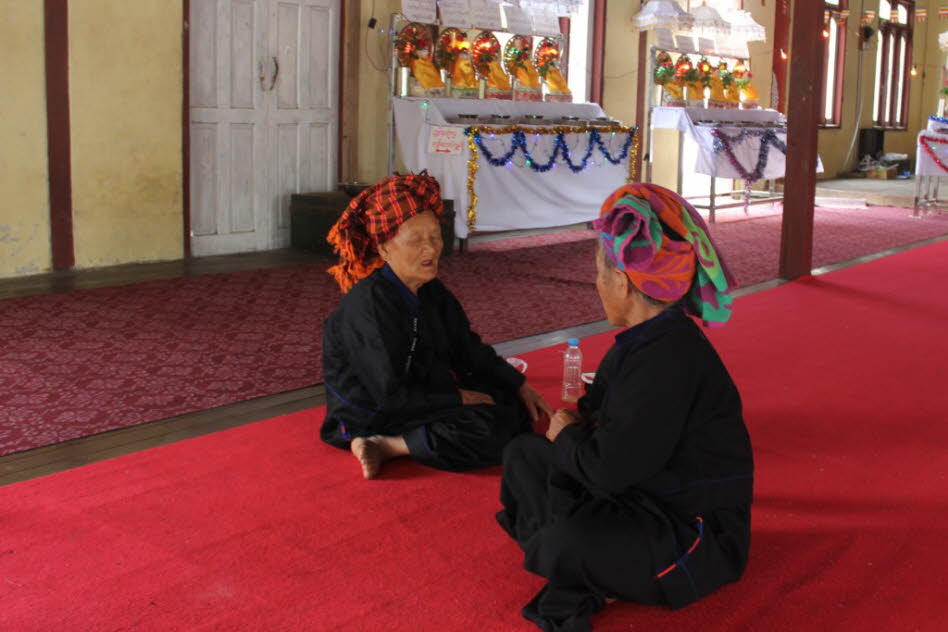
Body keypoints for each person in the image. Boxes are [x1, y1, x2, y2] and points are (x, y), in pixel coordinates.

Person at [496, 183, 754, 632]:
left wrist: (568, 433)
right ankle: (589, 565)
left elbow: (609, 468)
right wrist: (574, 426)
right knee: (522, 456)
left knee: (566, 539)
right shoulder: (647, 340)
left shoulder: (669, 358)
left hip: (690, 529)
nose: (597, 285)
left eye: (599, 273)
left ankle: (577, 560)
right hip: (640, 492)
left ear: (621, 281)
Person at [321, 172, 551, 479]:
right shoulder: (369, 307)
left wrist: (517, 383)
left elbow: (467, 349)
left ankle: (414, 440)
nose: (431, 249)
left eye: (435, 237)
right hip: (374, 411)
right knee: (485, 428)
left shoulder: (432, 290)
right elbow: (389, 395)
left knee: (510, 404)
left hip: (420, 395)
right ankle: (387, 444)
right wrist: (455, 398)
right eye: (416, 240)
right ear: (385, 248)